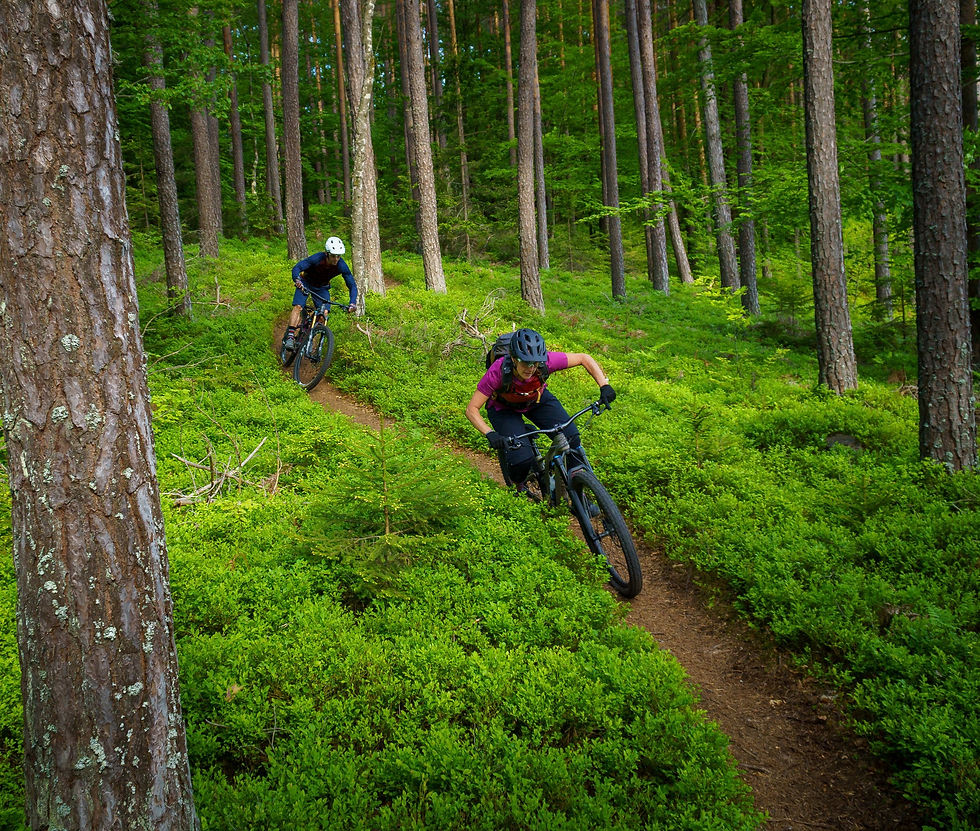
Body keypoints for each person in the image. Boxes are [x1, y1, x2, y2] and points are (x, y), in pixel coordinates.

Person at [465, 328, 616, 491]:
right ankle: (519, 484)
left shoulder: (546, 362)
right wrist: (490, 433)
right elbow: (472, 409)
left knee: (571, 437)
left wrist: (604, 386)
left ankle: (580, 491)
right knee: (521, 461)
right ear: (514, 359)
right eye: (525, 362)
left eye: (535, 363)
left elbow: (583, 358)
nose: (530, 368)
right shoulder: (498, 371)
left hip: (536, 399)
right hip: (504, 409)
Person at [284, 236, 358, 350]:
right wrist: (297, 280)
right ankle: (290, 336)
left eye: (338, 256)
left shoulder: (342, 265)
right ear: (327, 254)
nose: (336, 259)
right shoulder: (317, 258)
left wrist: (352, 303)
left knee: (324, 314)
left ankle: (310, 338)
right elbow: (297, 267)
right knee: (298, 306)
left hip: (322, 287)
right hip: (305, 282)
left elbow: (352, 285)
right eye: (333, 256)